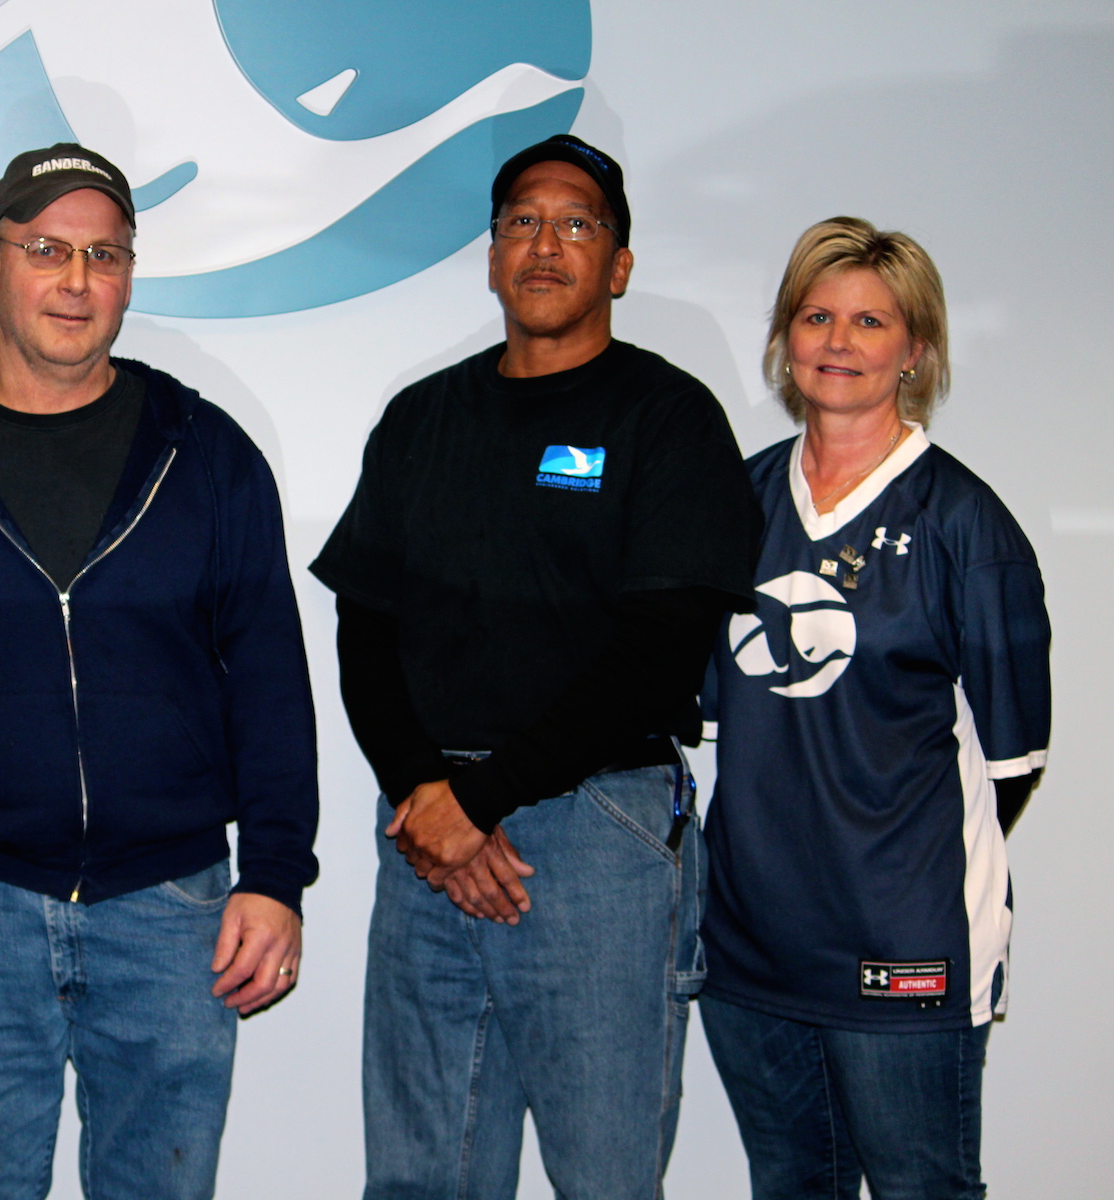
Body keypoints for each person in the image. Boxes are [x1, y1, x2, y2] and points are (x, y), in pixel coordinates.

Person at [0, 143, 318, 1200]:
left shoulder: (205, 455)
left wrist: (274, 876)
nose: (77, 281)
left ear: (129, 275)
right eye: (47, 250)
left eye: (104, 254)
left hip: (172, 910)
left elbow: (268, 680)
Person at [311, 134, 762, 1198]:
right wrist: (429, 796)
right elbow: (365, 629)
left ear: (619, 265)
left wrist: (482, 800)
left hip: (594, 835)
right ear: (491, 253)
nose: (545, 244)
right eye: (522, 221)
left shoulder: (668, 417)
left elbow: (659, 655)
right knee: (422, 1175)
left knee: (602, 1174)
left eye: (576, 224)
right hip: (424, 835)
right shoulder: (423, 417)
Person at [697, 217, 1049, 1200]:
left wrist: (883, 862)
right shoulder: (737, 503)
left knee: (921, 1186)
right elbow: (720, 721)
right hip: (753, 944)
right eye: (816, 315)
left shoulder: (963, 523)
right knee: (791, 1184)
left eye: (869, 321)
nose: (838, 342)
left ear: (916, 351)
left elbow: (1012, 765)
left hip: (905, 944)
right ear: (784, 336)